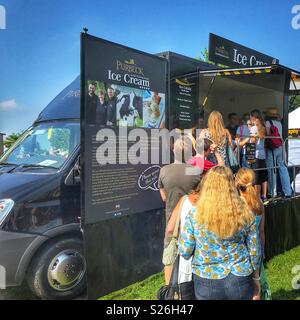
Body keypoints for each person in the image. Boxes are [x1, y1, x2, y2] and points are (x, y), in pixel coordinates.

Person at [178, 166, 261, 300]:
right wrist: (256, 278)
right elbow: (255, 251)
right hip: (240, 275)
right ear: (231, 184)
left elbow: (185, 250)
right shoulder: (245, 212)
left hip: (206, 278)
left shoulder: (195, 214)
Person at [158, 138, 201, 284]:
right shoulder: (195, 172)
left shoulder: (164, 170)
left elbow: (164, 197)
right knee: (192, 253)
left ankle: (169, 289)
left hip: (172, 219)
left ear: (173, 151)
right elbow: (198, 196)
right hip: (191, 219)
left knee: (169, 256)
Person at [235, 168, 271, 299]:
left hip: (241, 251)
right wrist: (262, 250)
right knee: (257, 286)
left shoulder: (237, 205)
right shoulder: (259, 203)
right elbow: (261, 231)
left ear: (237, 182)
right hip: (256, 250)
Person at [164, 181, 202, 284]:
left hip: (185, 257)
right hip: (204, 260)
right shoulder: (210, 203)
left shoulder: (184, 200)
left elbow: (170, 228)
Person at [264, 107, 292, 198]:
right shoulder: (279, 123)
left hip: (271, 148)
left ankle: (273, 192)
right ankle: (287, 191)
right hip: (280, 145)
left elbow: (267, 135)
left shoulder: (268, 123)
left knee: (272, 169)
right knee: (282, 167)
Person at [242, 116, 268, 200]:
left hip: (255, 154)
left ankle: (257, 197)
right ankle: (264, 195)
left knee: (256, 177)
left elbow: (252, 141)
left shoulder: (253, 128)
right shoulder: (264, 128)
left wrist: (250, 138)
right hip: (263, 155)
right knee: (263, 176)